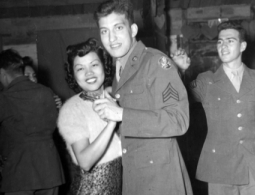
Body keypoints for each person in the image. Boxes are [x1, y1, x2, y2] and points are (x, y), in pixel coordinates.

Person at [93, 0, 193, 195]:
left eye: (118, 28)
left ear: (133, 29)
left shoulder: (156, 63)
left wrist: (122, 114)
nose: (111, 38)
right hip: (134, 179)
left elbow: (178, 120)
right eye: (104, 31)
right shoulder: (120, 70)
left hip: (161, 181)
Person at [175, 21, 255, 195]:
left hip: (252, 166)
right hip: (220, 168)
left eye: (230, 41)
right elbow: (177, 101)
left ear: (242, 46)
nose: (223, 46)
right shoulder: (206, 80)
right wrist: (178, 71)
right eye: (220, 42)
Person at [0, 49, 65, 195]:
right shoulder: (47, 92)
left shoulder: (5, 98)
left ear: (2, 73)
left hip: (20, 173)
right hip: (50, 169)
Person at [57, 38, 122, 195]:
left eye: (94, 65)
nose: (89, 73)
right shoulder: (72, 109)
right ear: (73, 74)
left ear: (104, 67)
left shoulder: (114, 96)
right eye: (80, 68)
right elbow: (85, 162)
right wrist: (111, 124)